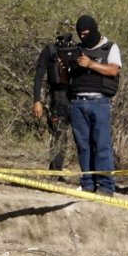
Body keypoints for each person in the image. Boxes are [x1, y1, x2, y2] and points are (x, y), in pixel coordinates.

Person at [67, 15, 121, 195]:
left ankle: (106, 186)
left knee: (102, 145)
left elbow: (113, 69)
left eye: (86, 33)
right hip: (77, 102)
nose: (83, 37)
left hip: (100, 102)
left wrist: (90, 64)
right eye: (80, 34)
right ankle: (87, 184)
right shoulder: (76, 50)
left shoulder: (110, 47)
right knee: (83, 146)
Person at [31, 21, 78, 172]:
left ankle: (88, 175)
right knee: (59, 134)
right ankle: (55, 171)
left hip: (76, 95)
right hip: (57, 96)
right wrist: (37, 100)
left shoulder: (78, 49)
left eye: (67, 29)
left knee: (81, 136)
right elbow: (39, 76)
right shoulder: (50, 50)